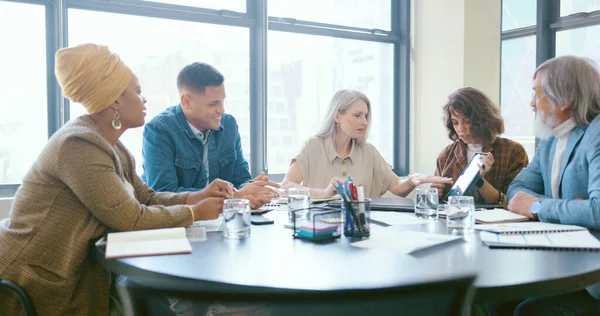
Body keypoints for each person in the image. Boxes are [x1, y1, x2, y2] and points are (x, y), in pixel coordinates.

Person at [0, 44, 233, 316]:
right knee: (143, 296)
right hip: (36, 278)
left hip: (74, 269)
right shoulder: (79, 144)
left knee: (143, 295)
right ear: (114, 102)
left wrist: (199, 196)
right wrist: (194, 213)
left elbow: (146, 198)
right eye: (137, 91)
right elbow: (131, 219)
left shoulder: (111, 145)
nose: (144, 100)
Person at [495, 56, 600, 315]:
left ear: (565, 99)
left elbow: (597, 211)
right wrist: (566, 208)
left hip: (593, 278)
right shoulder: (551, 139)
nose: (531, 103)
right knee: (498, 300)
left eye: (537, 94)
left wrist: (540, 206)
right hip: (565, 263)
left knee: (529, 312)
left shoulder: (596, 134)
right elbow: (517, 189)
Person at [142, 62, 276, 209]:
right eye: (213, 104)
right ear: (186, 102)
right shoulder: (159, 130)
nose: (221, 110)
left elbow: (241, 178)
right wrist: (233, 196)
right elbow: (164, 194)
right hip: (182, 224)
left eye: (223, 101)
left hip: (224, 220)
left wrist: (251, 190)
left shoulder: (229, 124)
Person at [282, 89, 452, 198]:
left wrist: (411, 181)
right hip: (319, 229)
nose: (364, 122)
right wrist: (325, 193)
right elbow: (287, 186)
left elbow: (397, 187)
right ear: (336, 116)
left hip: (360, 229)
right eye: (357, 115)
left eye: (366, 116)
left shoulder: (368, 152)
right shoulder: (312, 146)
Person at [435, 87, 529, 205]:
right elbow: (442, 205)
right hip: (455, 221)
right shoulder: (446, 155)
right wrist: (435, 195)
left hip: (498, 222)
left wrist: (480, 181)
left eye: (467, 121)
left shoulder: (512, 152)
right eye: (455, 122)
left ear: (483, 120)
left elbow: (514, 202)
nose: (460, 129)